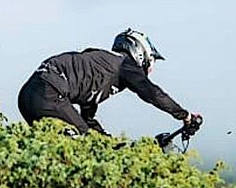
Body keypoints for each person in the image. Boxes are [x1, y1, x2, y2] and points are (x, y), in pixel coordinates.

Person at [18, 29, 202, 136]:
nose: (150, 69)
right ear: (140, 53)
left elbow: (87, 119)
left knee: (60, 144)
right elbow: (153, 94)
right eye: (151, 61)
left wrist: (108, 141)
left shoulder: (100, 67)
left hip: (29, 95)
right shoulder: (125, 64)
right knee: (85, 142)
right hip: (50, 92)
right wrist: (185, 116)